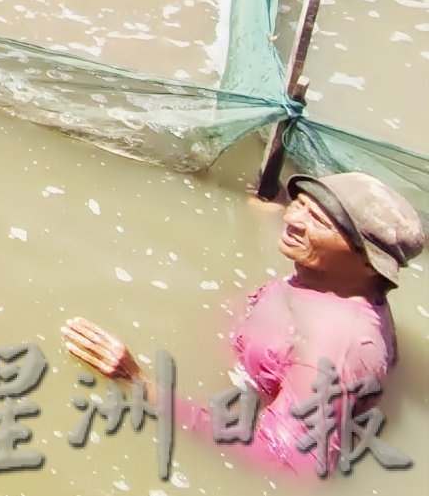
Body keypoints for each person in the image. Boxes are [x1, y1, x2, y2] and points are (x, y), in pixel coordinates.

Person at [63, 172, 423, 476]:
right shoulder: (328, 279)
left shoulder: (335, 348)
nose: (292, 220)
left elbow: (290, 465)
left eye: (318, 221)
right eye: (300, 204)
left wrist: (141, 386)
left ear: (367, 263)